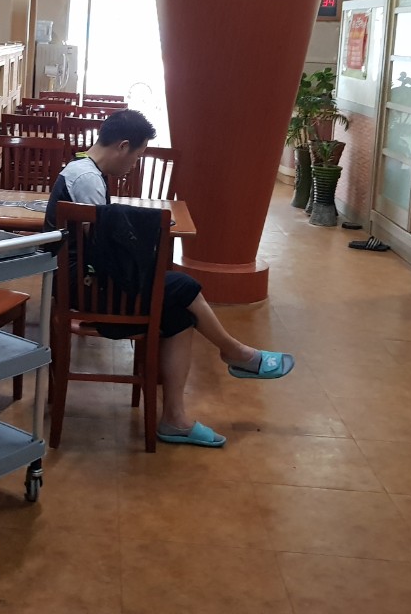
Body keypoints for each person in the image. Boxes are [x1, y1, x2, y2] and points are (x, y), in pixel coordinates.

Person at [45, 109, 295, 448]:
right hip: (85, 290)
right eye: (137, 155)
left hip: (86, 283)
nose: (134, 164)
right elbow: (104, 250)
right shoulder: (87, 179)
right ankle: (236, 352)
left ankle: (175, 419)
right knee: (184, 285)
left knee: (179, 315)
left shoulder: (84, 170)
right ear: (122, 146)